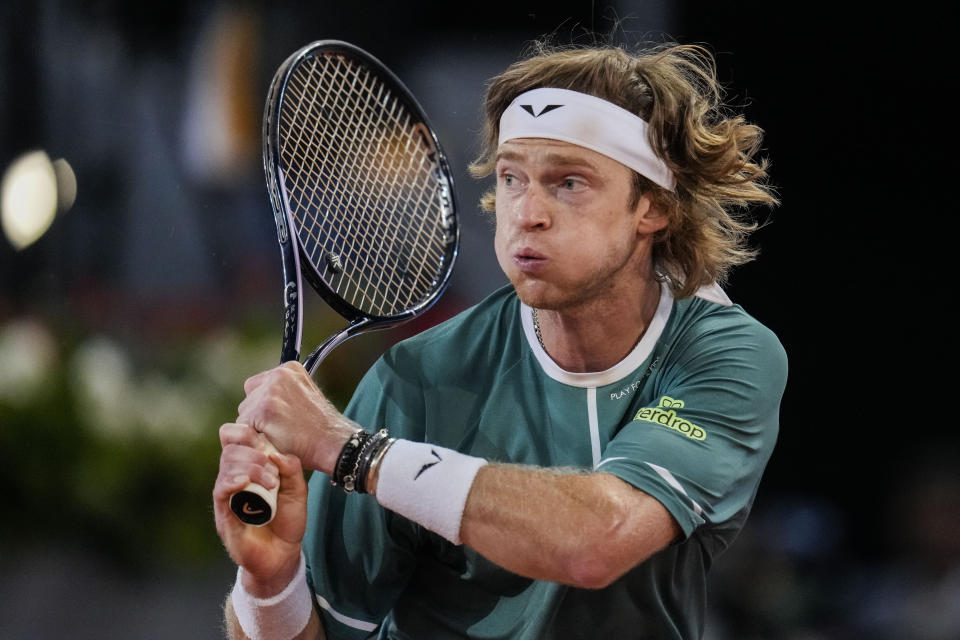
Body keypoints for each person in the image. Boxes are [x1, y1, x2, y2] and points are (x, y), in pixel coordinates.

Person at [213, 40, 787, 640]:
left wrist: (356, 453)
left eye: (569, 182)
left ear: (652, 207)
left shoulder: (726, 355)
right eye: (513, 178)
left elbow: (597, 541)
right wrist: (269, 581)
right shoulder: (416, 379)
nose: (527, 212)